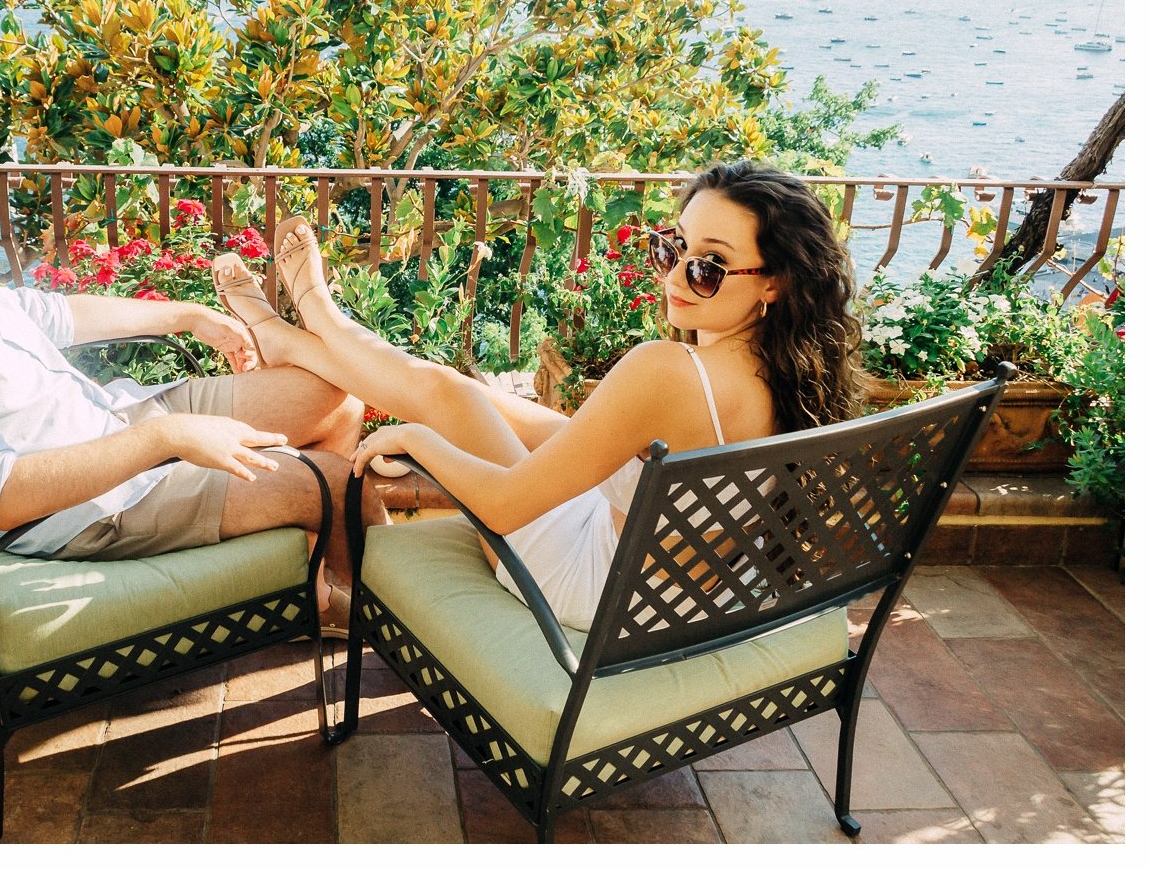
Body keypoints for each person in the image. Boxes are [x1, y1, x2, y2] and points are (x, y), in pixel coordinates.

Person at [210, 160, 863, 631]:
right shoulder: (795, 373)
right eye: (674, 247)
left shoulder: (667, 371)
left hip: (599, 588)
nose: (677, 276)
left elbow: (500, 502)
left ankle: (313, 321)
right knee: (465, 393)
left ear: (774, 282)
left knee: (451, 401)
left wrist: (415, 440)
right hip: (687, 589)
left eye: (707, 266)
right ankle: (299, 336)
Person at [0, 93, 375, 622]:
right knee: (334, 484)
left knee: (336, 398)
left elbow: (46, 315)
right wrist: (166, 439)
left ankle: (311, 582)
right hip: (85, 507)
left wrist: (188, 315)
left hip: (109, 421)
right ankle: (397, 619)